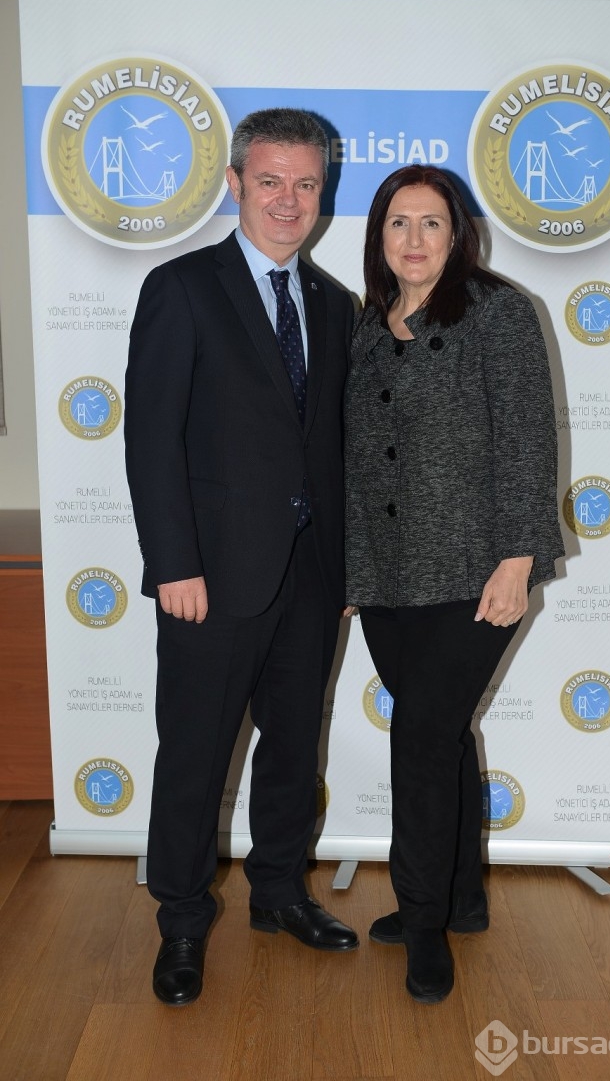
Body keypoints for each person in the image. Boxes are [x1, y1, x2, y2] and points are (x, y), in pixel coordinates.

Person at [124, 108, 358, 1007]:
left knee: (294, 748)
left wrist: (344, 570)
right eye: (270, 181)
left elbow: (330, 449)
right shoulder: (182, 288)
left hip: (311, 579)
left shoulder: (333, 304)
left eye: (306, 183)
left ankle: (279, 893)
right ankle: (182, 921)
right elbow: (152, 440)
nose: (288, 200)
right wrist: (172, 564)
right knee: (195, 754)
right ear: (234, 185)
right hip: (210, 579)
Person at [344, 165, 564, 1004]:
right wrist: (352, 569)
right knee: (440, 735)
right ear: (379, 236)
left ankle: (423, 920)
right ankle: (461, 898)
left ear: (458, 234)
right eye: (398, 223)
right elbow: (354, 460)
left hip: (474, 571)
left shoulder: (499, 314)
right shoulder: (365, 327)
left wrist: (518, 558)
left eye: (431, 223)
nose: (414, 239)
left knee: (421, 739)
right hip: (388, 576)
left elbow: (527, 441)